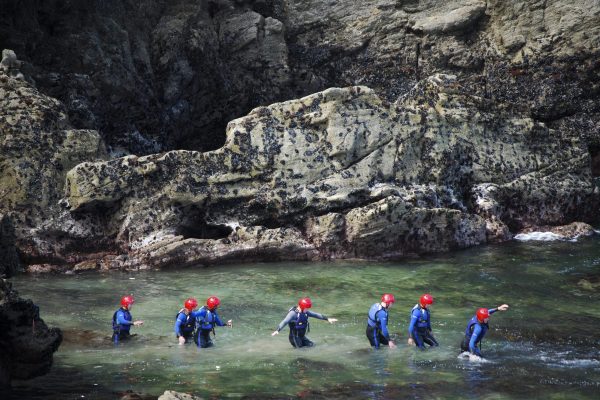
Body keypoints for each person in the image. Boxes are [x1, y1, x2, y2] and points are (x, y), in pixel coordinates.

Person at [272, 297, 337, 348]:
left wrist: (328, 319)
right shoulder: (293, 314)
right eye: (306, 308)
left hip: (302, 336)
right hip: (294, 337)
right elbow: (285, 321)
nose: (307, 310)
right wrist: (278, 330)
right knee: (301, 351)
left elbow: (316, 315)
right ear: (302, 307)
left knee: (312, 346)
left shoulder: (305, 312)